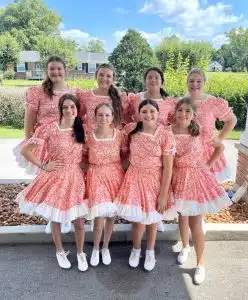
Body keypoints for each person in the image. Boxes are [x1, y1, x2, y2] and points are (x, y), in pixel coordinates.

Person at [15, 94, 89, 271]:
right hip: (55, 177)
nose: (69, 110)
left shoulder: (83, 129)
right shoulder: (49, 129)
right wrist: (43, 165)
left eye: (73, 107)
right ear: (60, 109)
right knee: (55, 218)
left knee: (79, 221)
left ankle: (80, 253)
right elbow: (26, 150)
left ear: (77, 109)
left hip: (76, 178)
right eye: (65, 107)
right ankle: (60, 251)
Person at [176, 68, 237, 266]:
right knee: (184, 210)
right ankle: (186, 244)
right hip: (185, 161)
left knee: (200, 206)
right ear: (187, 82)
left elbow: (232, 120)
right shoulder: (181, 103)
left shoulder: (212, 102)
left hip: (205, 157)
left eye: (198, 81)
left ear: (204, 81)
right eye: (191, 81)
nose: (194, 84)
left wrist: (219, 139)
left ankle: (198, 244)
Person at [171, 97, 232, 284]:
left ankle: (200, 263)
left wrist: (208, 164)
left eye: (188, 111)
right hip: (178, 179)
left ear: (193, 114)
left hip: (197, 179)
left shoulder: (200, 132)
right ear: (175, 112)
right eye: (180, 110)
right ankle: (185, 246)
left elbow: (220, 146)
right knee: (182, 216)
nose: (183, 114)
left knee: (196, 222)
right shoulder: (168, 132)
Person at [116, 99, 175, 272]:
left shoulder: (165, 134)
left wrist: (163, 193)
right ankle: (136, 250)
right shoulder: (131, 131)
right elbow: (124, 154)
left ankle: (150, 251)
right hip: (134, 178)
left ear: (158, 113)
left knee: (152, 220)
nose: (148, 115)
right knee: (138, 220)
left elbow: (168, 167)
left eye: (152, 111)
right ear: (138, 114)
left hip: (154, 180)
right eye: (144, 111)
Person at [127, 66, 177, 232]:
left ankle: (156, 216)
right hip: (140, 142)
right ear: (145, 80)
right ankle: (145, 215)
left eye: (156, 77)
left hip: (161, 145)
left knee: (161, 177)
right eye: (149, 77)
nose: (153, 80)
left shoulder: (170, 102)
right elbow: (128, 115)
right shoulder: (136, 99)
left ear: (162, 81)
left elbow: (174, 121)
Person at [14, 56, 80, 176]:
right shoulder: (37, 92)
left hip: (67, 141)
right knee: (46, 178)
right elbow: (29, 122)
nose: (56, 72)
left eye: (59, 68)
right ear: (47, 71)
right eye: (52, 69)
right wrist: (31, 145)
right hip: (45, 141)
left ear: (65, 71)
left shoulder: (74, 91)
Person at [84, 103, 127, 267]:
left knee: (110, 215)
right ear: (95, 116)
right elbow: (83, 156)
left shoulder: (119, 135)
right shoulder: (89, 135)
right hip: (96, 175)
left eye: (107, 115)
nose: (104, 118)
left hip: (115, 175)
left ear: (112, 117)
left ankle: (106, 247)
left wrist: (118, 170)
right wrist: (91, 169)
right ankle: (96, 247)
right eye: (100, 115)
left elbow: (124, 154)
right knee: (99, 215)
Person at [77, 63, 129, 131]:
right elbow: (79, 116)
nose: (104, 78)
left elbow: (125, 118)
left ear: (113, 79)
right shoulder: (86, 96)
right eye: (101, 75)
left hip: (113, 139)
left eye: (108, 76)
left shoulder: (121, 97)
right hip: (91, 138)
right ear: (96, 76)